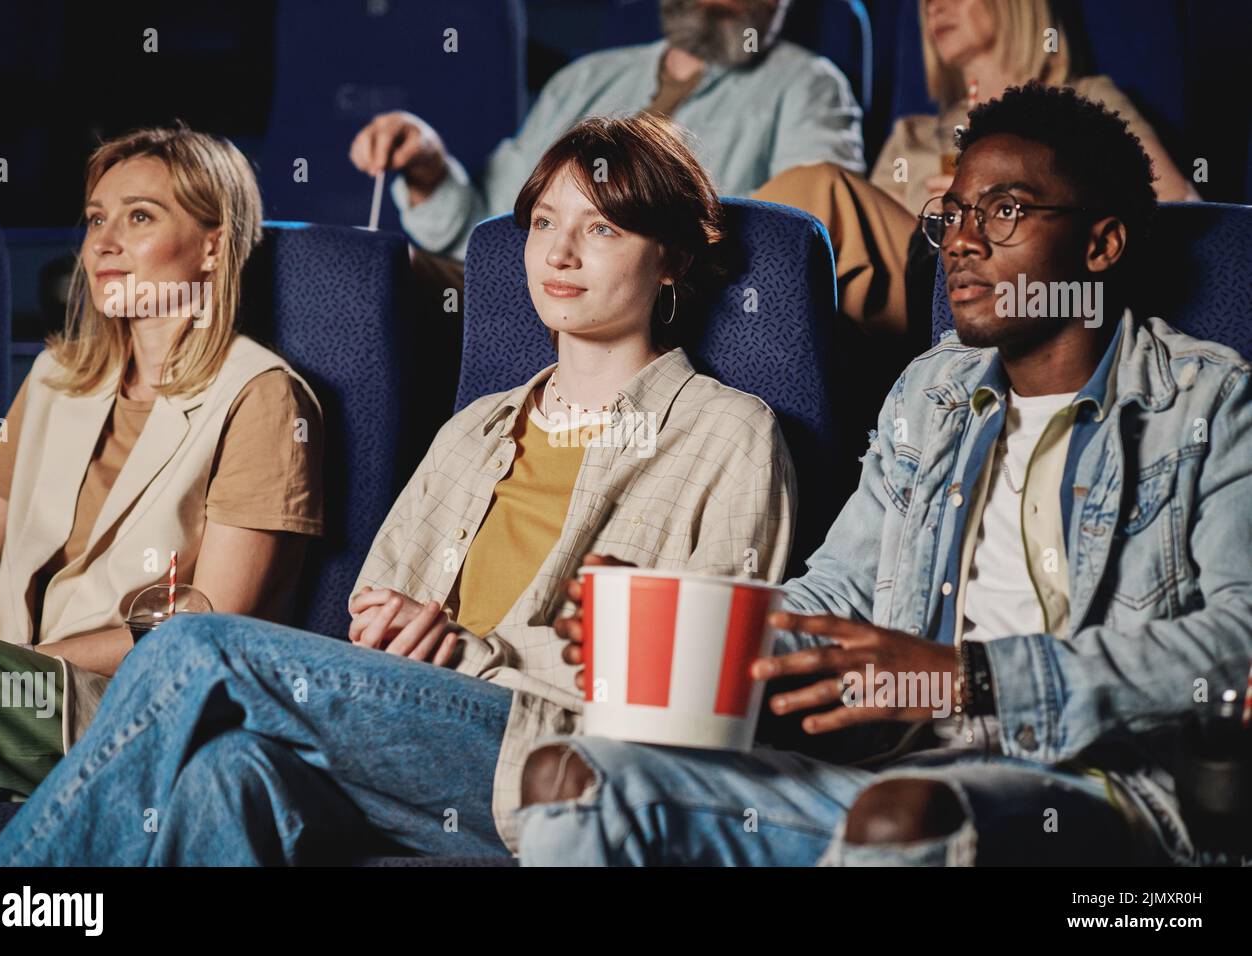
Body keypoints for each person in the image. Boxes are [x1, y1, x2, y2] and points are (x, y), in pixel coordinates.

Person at [0, 113, 797, 866]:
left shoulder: (729, 432)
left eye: (602, 229)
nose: (560, 253)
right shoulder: (474, 429)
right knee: (224, 774)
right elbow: (376, 608)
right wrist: (395, 631)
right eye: (544, 222)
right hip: (410, 735)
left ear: (674, 261)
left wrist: (472, 651)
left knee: (196, 645)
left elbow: (700, 680)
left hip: (564, 757)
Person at [516, 83, 1252, 867]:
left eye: (1004, 211)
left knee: (903, 819)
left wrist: (973, 677)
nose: (963, 241)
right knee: (575, 777)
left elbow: (1239, 641)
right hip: (890, 765)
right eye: (954, 215)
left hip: (1100, 785)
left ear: (1101, 246)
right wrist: (692, 626)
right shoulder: (931, 393)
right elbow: (837, 593)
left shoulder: (1207, 400)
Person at [0, 126, 325, 852]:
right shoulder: (56, 378)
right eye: (96, 219)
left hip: (129, 705)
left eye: (140, 217)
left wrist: (27, 664)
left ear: (214, 246)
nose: (101, 245)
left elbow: (212, 620)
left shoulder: (263, 395)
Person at [753, 0, 1198, 338]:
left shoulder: (1084, 101)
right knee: (809, 229)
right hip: (912, 284)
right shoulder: (914, 133)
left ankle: (703, 287)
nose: (933, 7)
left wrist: (1001, 197)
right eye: (927, 0)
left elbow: (1183, 209)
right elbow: (866, 243)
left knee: (819, 185)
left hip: (1008, 273)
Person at [348, 0, 864, 271]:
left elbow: (806, 237)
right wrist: (429, 169)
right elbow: (489, 226)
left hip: (664, 298)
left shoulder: (808, 83)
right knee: (374, 271)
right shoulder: (587, 77)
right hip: (521, 282)